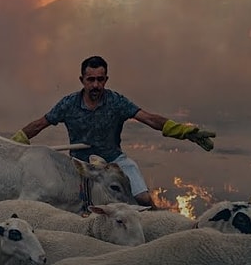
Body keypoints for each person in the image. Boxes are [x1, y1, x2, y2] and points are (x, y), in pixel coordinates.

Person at [11, 55, 215, 208]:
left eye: (100, 80)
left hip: (114, 162)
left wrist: (183, 131)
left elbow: (149, 118)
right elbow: (40, 124)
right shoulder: (68, 104)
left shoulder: (116, 101)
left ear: (106, 79)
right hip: (82, 168)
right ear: (82, 79)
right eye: (91, 79)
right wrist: (14, 143)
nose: (96, 85)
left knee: (143, 200)